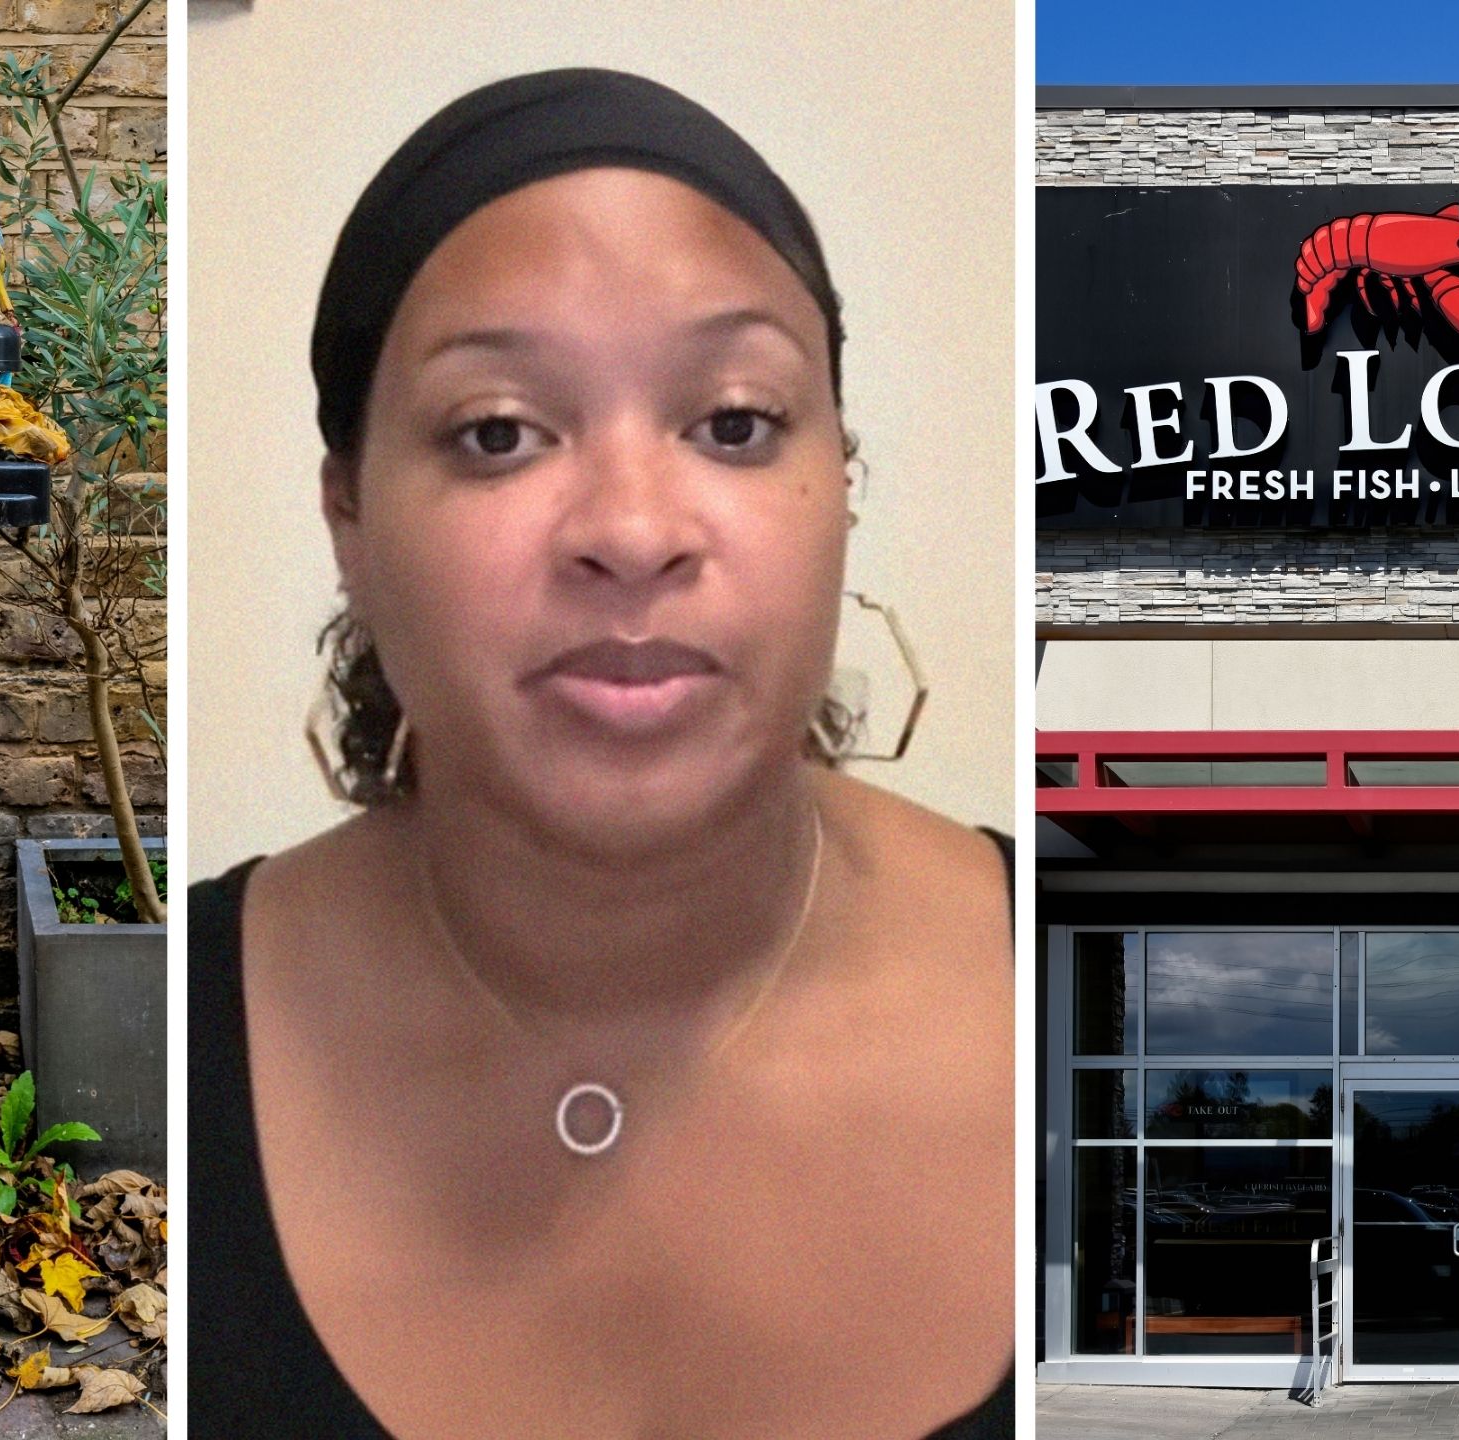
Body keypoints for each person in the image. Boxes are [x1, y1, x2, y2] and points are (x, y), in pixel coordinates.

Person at [191, 68, 1014, 1438]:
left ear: (841, 484)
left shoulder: (1081, 991)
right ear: (350, 519)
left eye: (734, 423)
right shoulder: (180, 1053)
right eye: (499, 433)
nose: (633, 532)